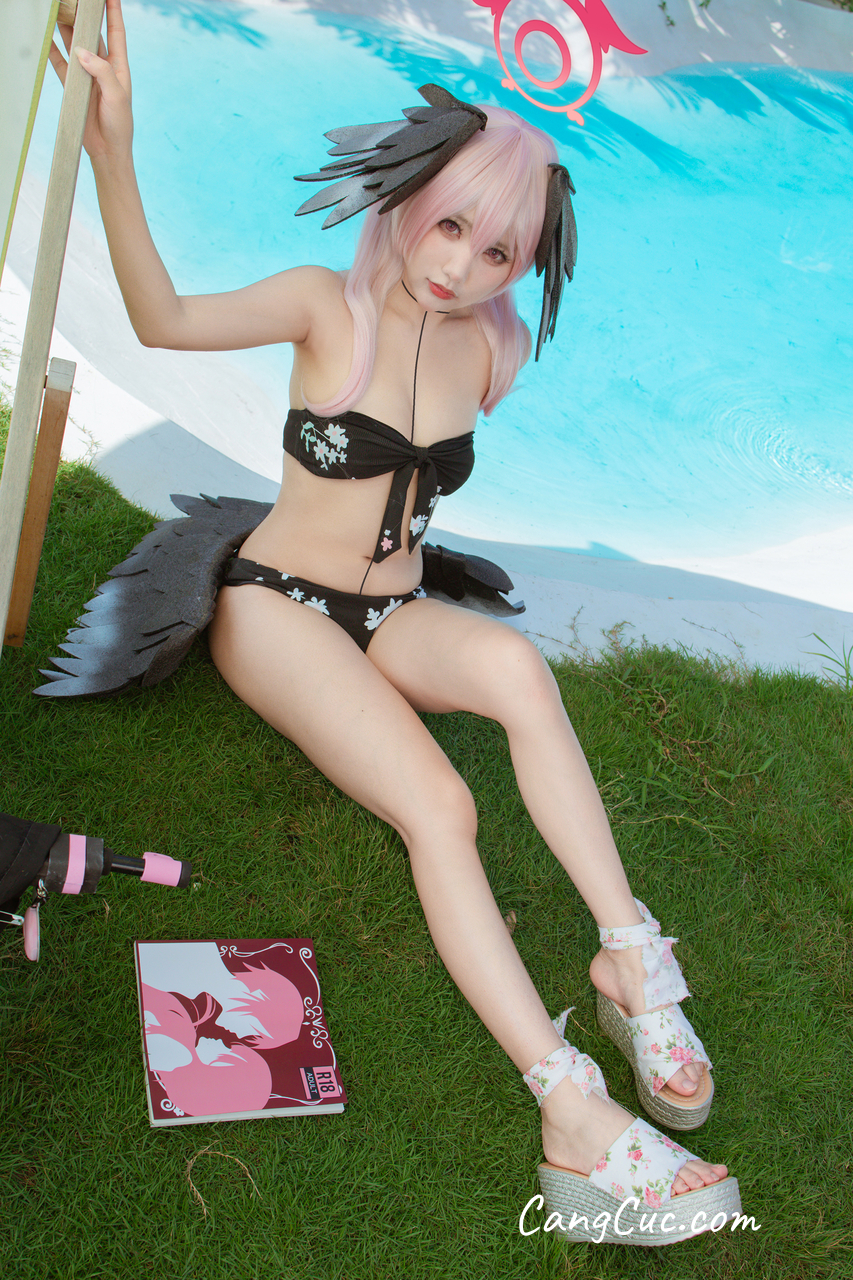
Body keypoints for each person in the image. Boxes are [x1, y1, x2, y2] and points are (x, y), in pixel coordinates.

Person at [51, 0, 738, 1243]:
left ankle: (629, 954)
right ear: (412, 196)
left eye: (498, 251)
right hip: (276, 607)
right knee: (440, 805)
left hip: (397, 609)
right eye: (451, 225)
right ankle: (568, 1104)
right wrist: (114, 145)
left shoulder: (494, 350)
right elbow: (161, 320)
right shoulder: (327, 306)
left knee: (519, 670)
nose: (460, 265)